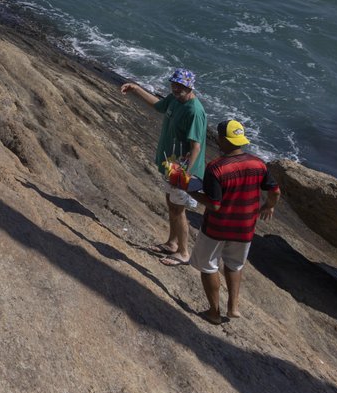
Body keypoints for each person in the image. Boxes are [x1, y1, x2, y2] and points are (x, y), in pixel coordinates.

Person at [189, 119, 280, 322]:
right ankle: (233, 307)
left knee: (209, 266)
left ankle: (214, 313)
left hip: (217, 228)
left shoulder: (216, 168)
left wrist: (190, 190)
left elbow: (214, 205)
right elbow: (275, 190)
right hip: (245, 228)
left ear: (223, 139)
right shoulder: (258, 163)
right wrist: (269, 206)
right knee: (234, 265)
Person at [119, 68, 207, 266]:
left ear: (190, 87)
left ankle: (184, 253)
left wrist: (183, 175)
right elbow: (158, 105)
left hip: (184, 171)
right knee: (171, 205)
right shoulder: (175, 99)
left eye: (180, 86)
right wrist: (135, 88)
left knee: (179, 210)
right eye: (174, 84)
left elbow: (196, 147)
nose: (176, 88)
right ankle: (172, 243)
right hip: (171, 165)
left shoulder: (194, 111)